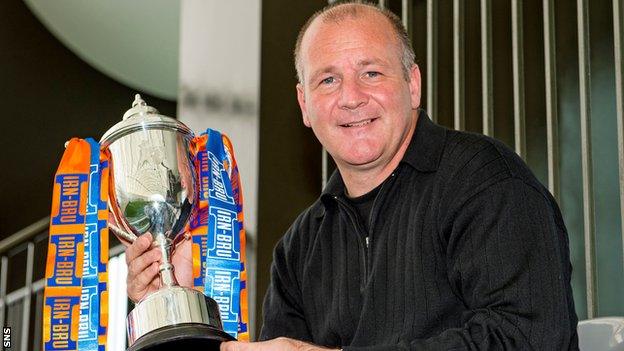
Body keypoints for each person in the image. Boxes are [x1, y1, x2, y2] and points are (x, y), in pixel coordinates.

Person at [126, 2, 579, 350]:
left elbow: (528, 339)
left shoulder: (485, 183)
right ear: (304, 105)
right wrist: (182, 307)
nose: (351, 97)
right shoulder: (301, 247)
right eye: (328, 80)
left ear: (413, 85)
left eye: (371, 72)